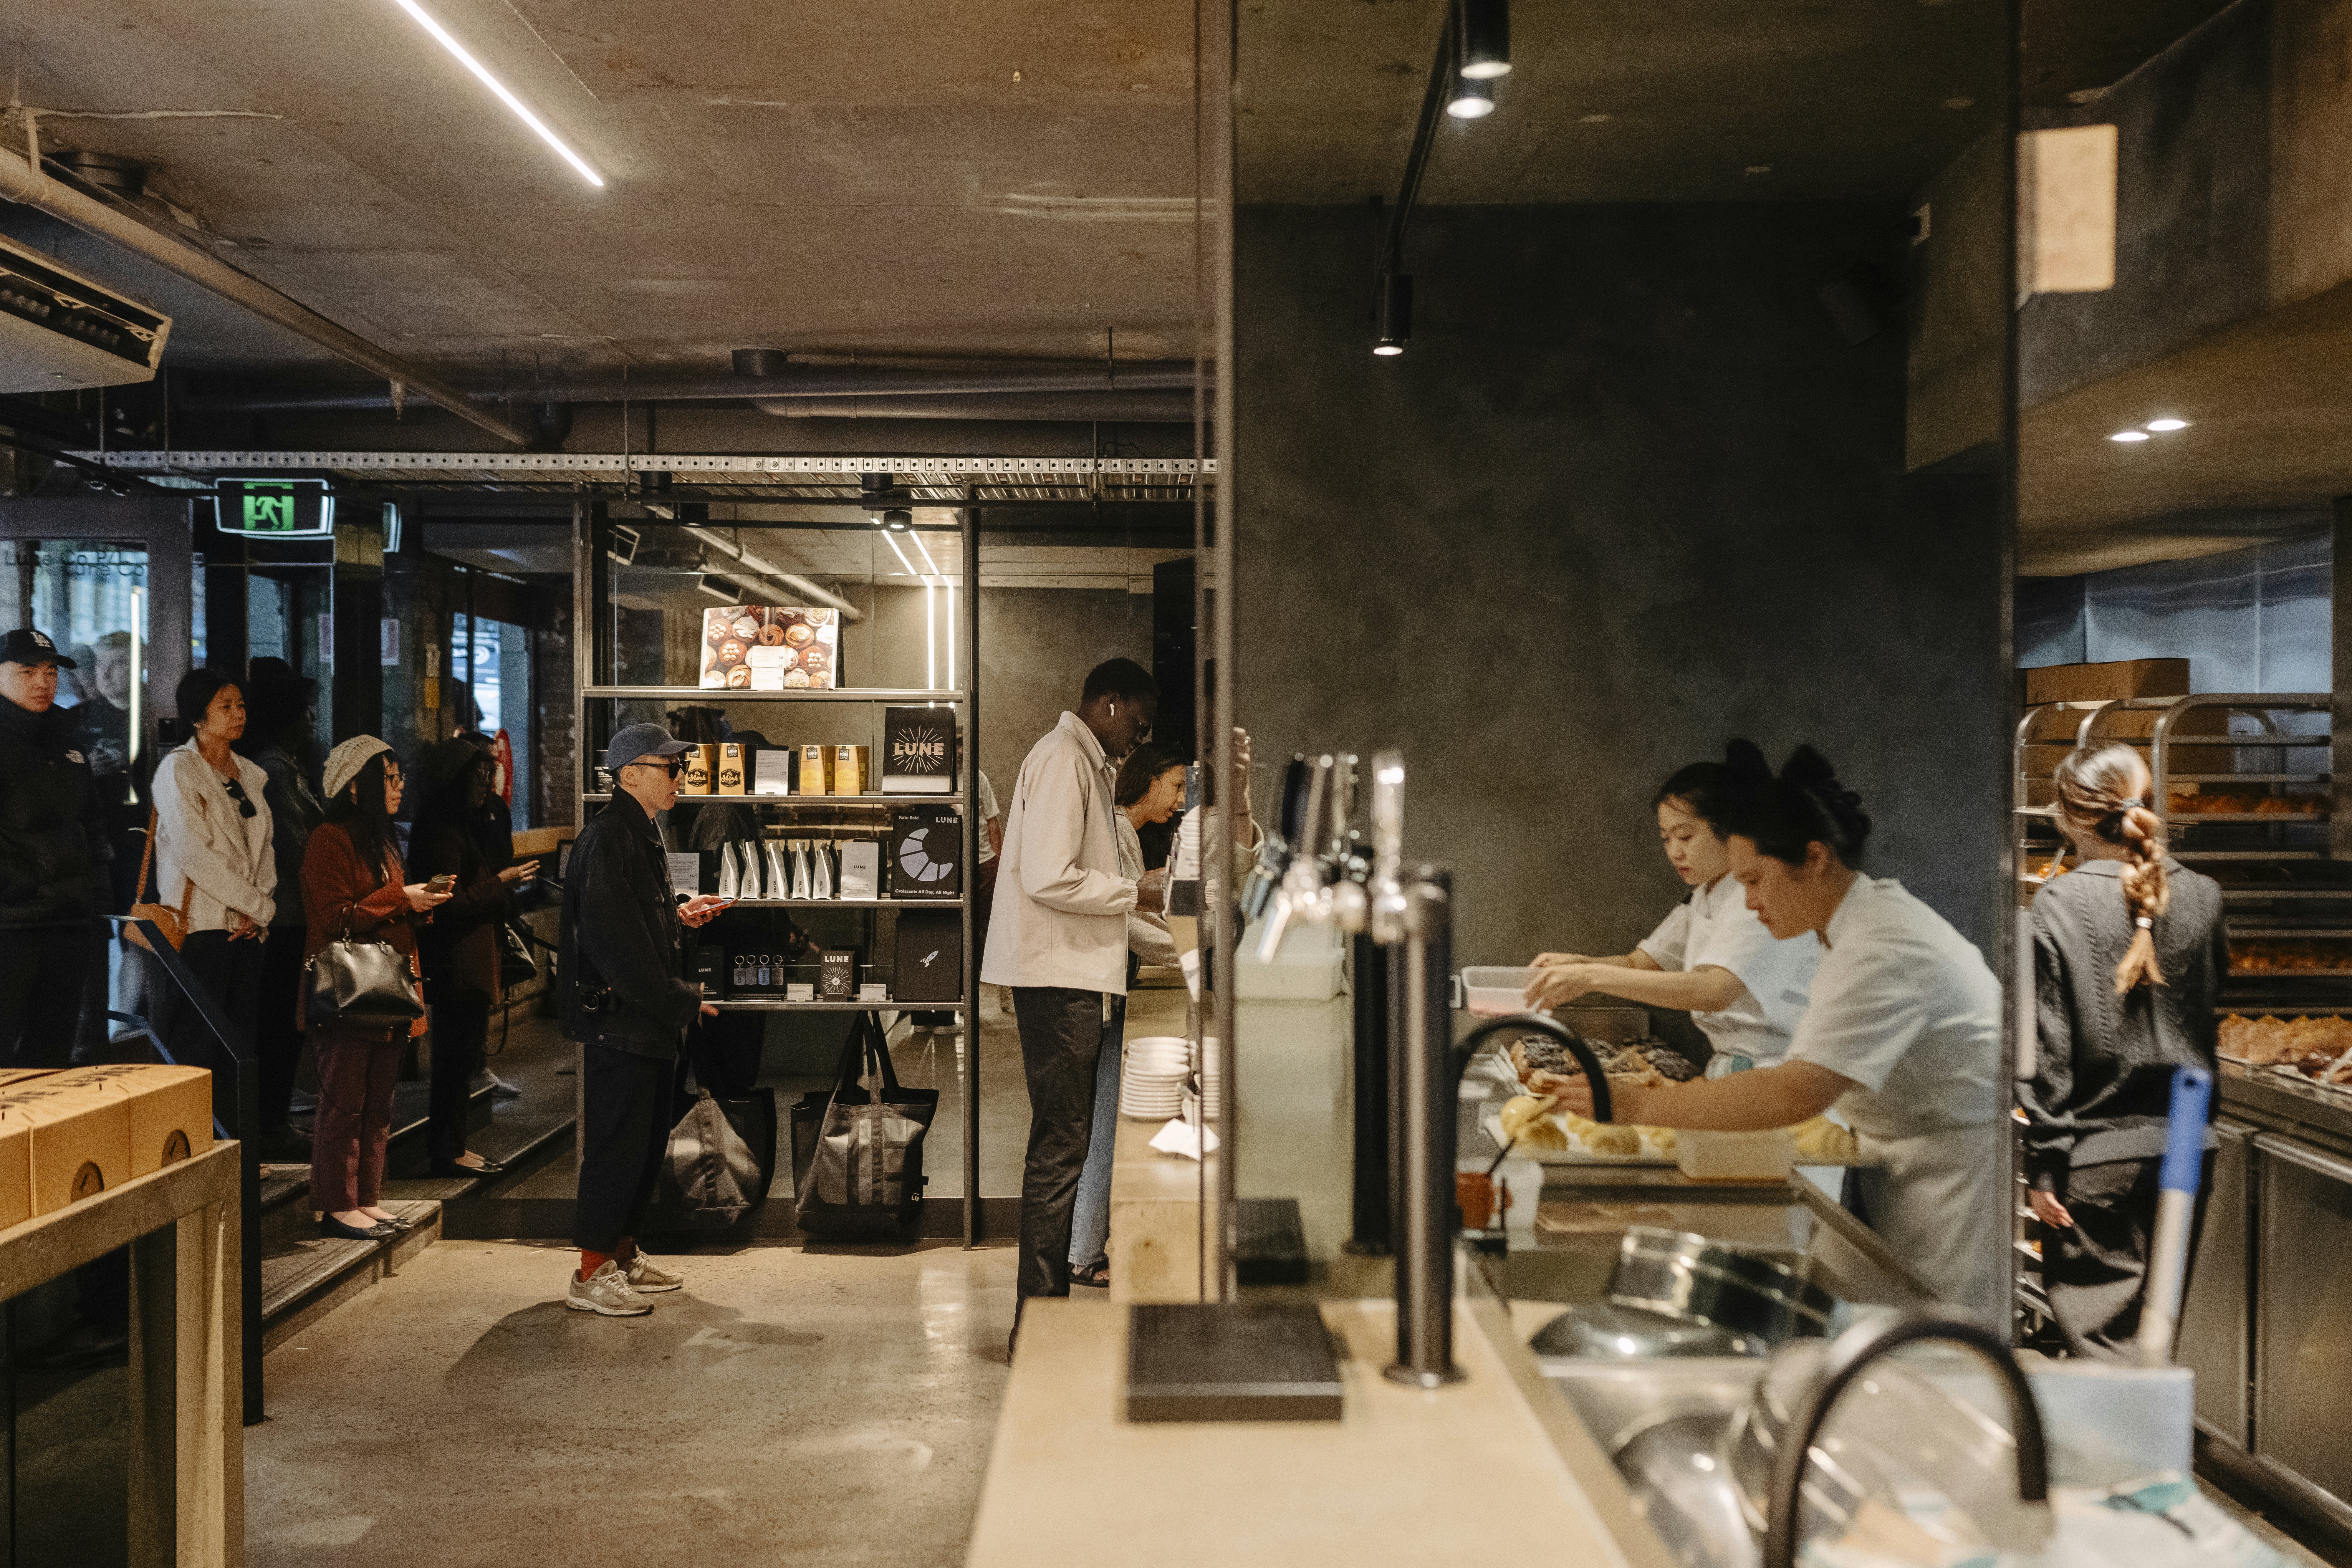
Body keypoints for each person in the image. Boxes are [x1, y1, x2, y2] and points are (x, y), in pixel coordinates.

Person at [1537, 741, 2006, 1324]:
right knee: (1865, 1329)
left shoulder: (1882, 945)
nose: (1751, 903)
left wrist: (1635, 1103)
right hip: (1893, 1157)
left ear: (1814, 859)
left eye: (1756, 880)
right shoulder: (1852, 922)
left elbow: (1794, 1091)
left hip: (1948, 1176)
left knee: (1940, 1346)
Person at [2021, 743, 2226, 1358]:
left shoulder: (2058, 902)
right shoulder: (2205, 895)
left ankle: (2111, 1456)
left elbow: (2050, 1047)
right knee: (2156, 1342)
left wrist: (2045, 1160)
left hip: (2096, 1155)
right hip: (2189, 1147)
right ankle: (2147, 1449)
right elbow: (2208, 1011)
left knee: (2102, 1347)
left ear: (2068, 816)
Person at [982, 657, 1157, 1330]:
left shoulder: (1085, 763)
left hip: (1067, 977)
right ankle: (1039, 1322)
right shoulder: (1063, 759)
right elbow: (1052, 877)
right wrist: (1136, 889)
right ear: (1108, 703)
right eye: (1136, 725)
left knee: (1063, 1146)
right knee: (1059, 1149)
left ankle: (1043, 1316)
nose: (1136, 741)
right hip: (1056, 981)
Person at [560, 723, 731, 1316]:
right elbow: (615, 944)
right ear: (630, 773)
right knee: (615, 1147)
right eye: (670, 766)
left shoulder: (640, 833)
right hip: (622, 1022)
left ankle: (622, 1254)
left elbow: (636, 922)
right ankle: (590, 1273)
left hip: (645, 1022)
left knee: (642, 1143)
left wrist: (680, 918)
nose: (681, 777)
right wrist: (681, 997)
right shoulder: (611, 837)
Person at [1524, 760, 1818, 1075]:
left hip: (1783, 1069)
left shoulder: (1753, 894)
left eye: (1685, 837)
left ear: (1730, 831)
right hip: (1738, 1067)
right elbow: (1641, 963)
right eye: (1666, 839)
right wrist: (1578, 964)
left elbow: (1714, 990)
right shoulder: (1705, 894)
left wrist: (1591, 977)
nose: (1674, 852)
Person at [303, 737, 451, 1239]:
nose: (399, 786)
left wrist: (419, 902)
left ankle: (366, 1196)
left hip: (388, 987)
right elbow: (333, 916)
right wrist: (400, 898)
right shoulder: (329, 838)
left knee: (379, 1101)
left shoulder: (384, 840)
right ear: (355, 787)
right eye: (389, 778)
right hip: (348, 990)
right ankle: (335, 1201)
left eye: (399, 776)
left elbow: (385, 907)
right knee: (344, 1100)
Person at [1068, 741, 1186, 1288]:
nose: (1180, 800)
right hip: (1097, 991)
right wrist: (1191, 955)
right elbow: (1127, 924)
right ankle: (1084, 1253)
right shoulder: (1117, 833)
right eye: (1177, 786)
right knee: (1101, 1121)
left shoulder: (1127, 834)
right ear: (1147, 780)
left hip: (1109, 987)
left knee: (1099, 1119)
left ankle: (1085, 1246)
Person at [411, 739, 538, 1178]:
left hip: (465, 958)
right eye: (479, 775)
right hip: (455, 961)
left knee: (461, 1058)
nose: (487, 783)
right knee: (454, 1059)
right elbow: (448, 903)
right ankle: (448, 1149)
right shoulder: (444, 832)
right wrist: (500, 882)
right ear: (456, 777)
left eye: (490, 774)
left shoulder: (465, 825)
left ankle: (454, 1146)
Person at [151, 669, 276, 1070]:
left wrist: (258, 909)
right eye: (226, 706)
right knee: (196, 1044)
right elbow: (194, 854)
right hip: (200, 926)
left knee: (239, 1045)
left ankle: (235, 1133)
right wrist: (254, 905)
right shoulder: (179, 769)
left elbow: (265, 852)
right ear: (197, 716)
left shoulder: (251, 773)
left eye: (241, 705)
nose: (238, 713)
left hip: (247, 928)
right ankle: (194, 1133)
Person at [0, 627, 107, 1068]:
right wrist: (21, 885)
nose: (43, 682)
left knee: (51, 1060)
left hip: (69, 922)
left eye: (50, 672)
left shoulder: (68, 738)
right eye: (28, 672)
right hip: (10, 927)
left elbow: (91, 822)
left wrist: (94, 892)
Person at [240, 660, 325, 1160]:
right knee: (279, 1025)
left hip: (294, 915)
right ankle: (270, 1122)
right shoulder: (276, 770)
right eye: (305, 711)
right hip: (286, 915)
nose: (313, 721)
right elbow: (297, 846)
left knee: (282, 1024)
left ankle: (273, 1118)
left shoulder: (286, 768)